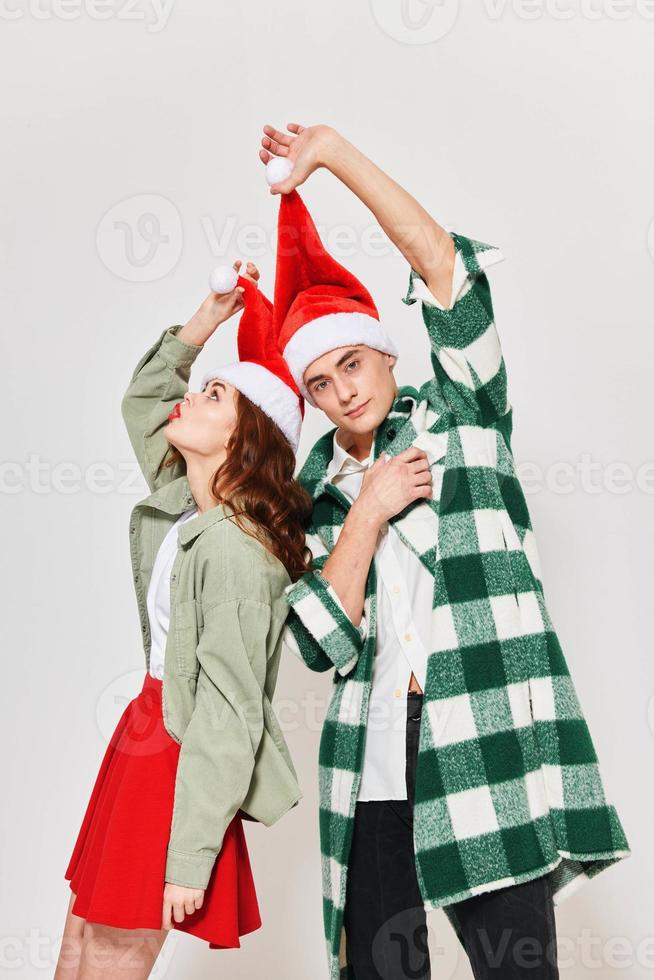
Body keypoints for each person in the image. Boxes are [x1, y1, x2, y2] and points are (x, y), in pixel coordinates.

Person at [260, 123, 632, 980]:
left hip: (483, 736)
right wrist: (369, 512)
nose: (343, 389)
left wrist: (333, 154)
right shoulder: (313, 499)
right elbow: (322, 643)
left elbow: (443, 266)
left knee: (517, 972)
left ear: (388, 352)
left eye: (353, 362)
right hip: (374, 752)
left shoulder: (464, 421)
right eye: (320, 381)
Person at [55, 261, 310, 979]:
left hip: (178, 750)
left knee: (112, 950)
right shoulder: (183, 502)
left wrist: (192, 857)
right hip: (146, 723)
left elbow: (231, 717)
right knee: (79, 939)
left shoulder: (234, 550)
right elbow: (145, 400)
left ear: (244, 436)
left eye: (214, 393)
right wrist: (205, 323)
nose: (192, 396)